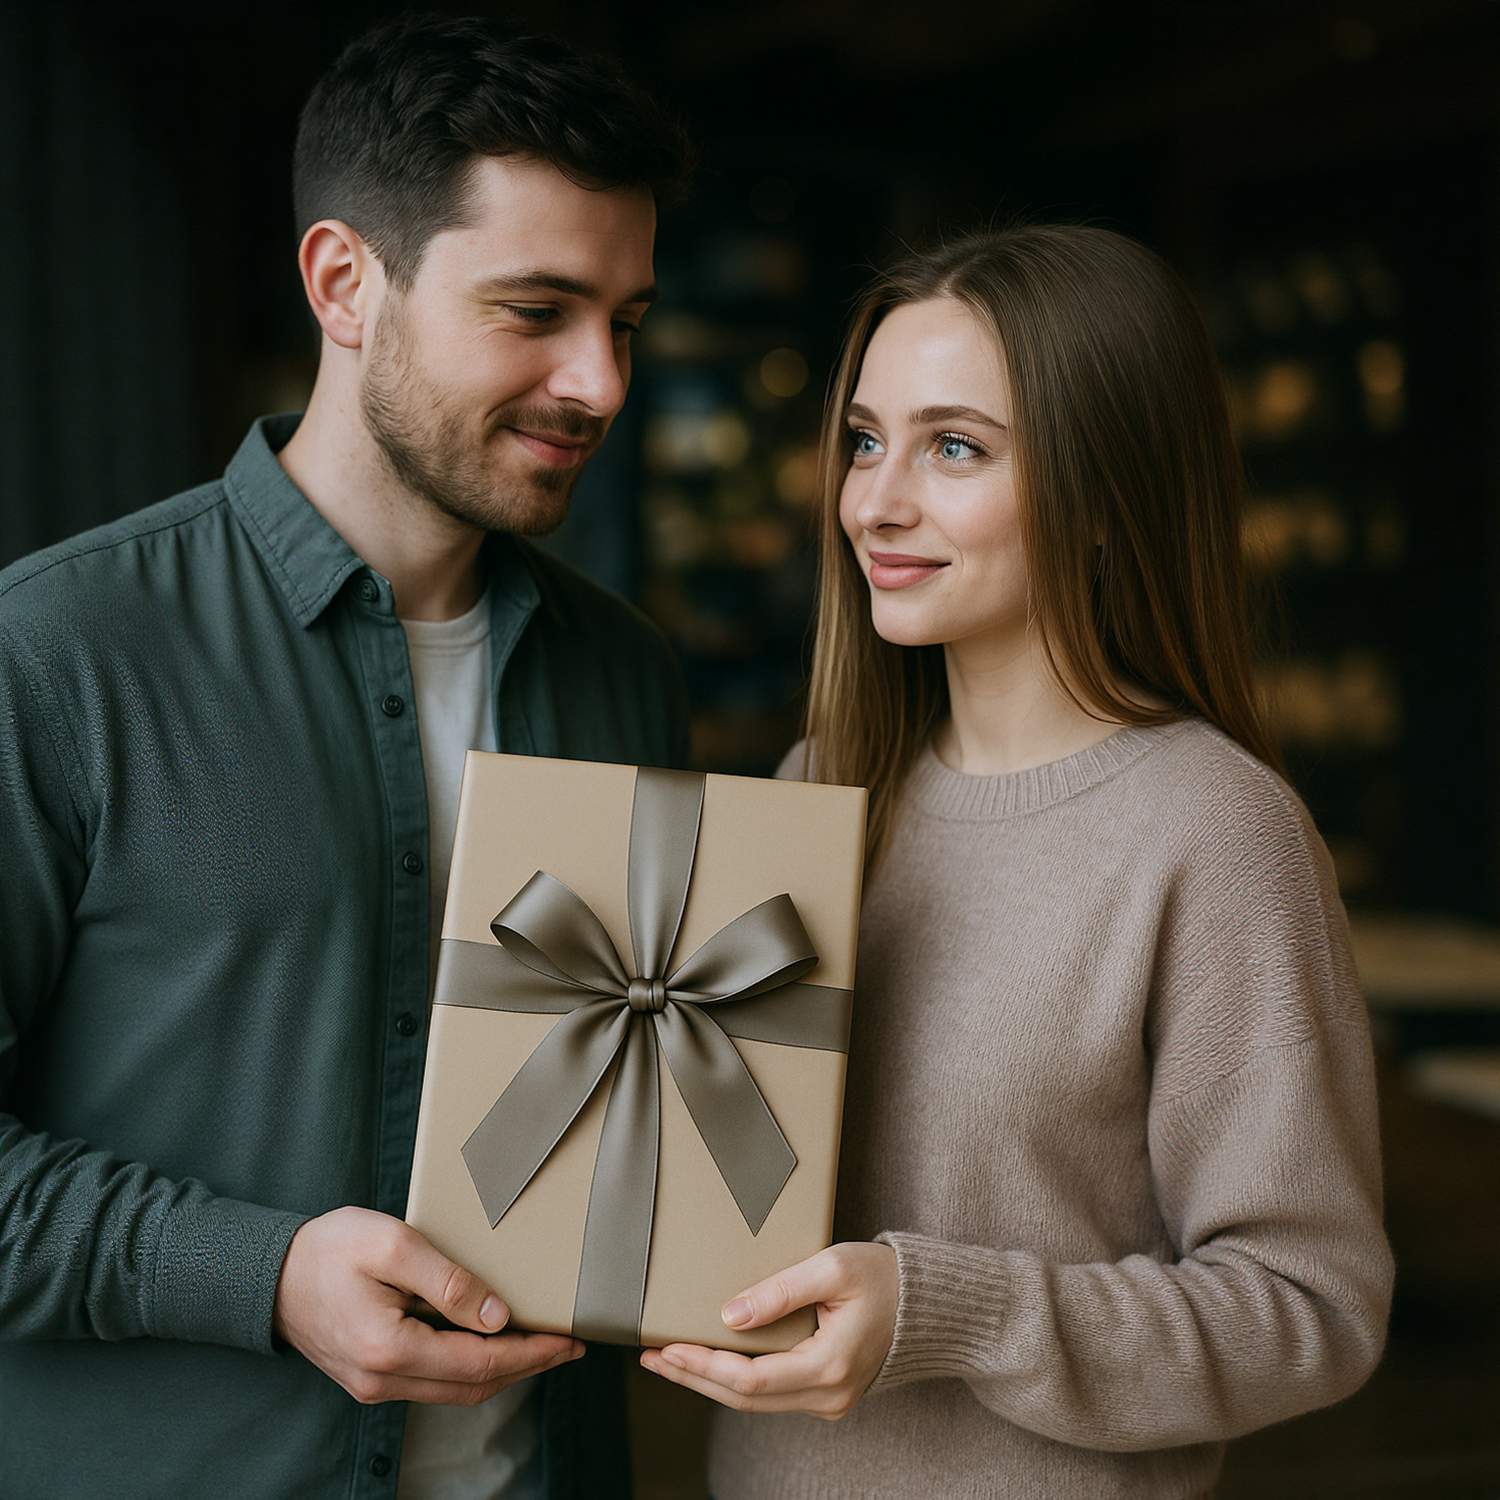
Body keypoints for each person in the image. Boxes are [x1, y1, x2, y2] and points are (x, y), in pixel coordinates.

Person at [0, 16, 693, 1500]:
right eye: (537, 309)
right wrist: (262, 1273)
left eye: (624, 322)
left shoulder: (627, 674)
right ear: (344, 283)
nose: (600, 384)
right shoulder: (55, 652)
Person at [640, 225, 1394, 1498]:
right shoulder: (819, 787)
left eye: (956, 447)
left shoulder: (1214, 831)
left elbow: (1309, 1311)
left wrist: (951, 1310)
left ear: (1106, 493)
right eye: (866, 440)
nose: (875, 500)